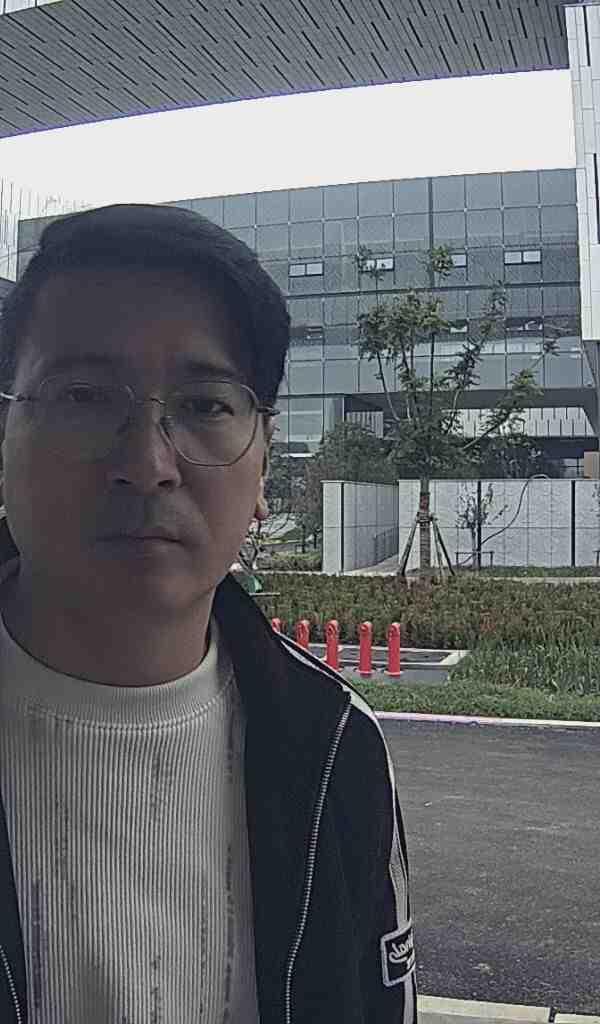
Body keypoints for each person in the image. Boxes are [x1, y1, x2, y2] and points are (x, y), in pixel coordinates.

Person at [0, 204, 417, 1023]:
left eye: (206, 405)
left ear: (263, 459)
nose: (147, 463)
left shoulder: (334, 746)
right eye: (84, 395)